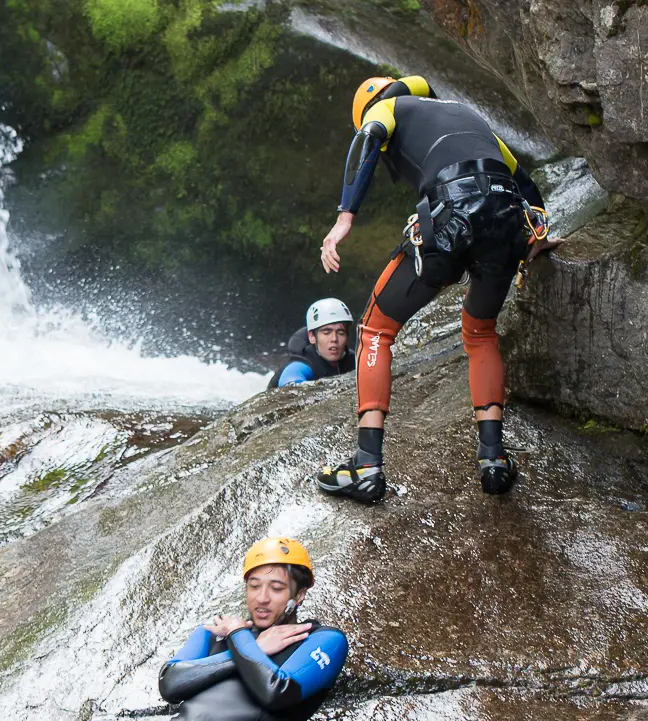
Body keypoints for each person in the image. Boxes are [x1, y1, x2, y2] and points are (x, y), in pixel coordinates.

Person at [316, 75, 562, 499]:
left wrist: (344, 218)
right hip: (506, 223)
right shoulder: (468, 114)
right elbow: (523, 183)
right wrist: (537, 234)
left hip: (453, 213)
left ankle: (367, 468)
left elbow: (368, 141)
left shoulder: (388, 109)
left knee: (376, 329)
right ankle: (494, 461)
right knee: (481, 331)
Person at [159, 537, 348, 721]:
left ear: (299, 595)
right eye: (254, 586)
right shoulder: (215, 632)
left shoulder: (324, 639)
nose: (262, 598)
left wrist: (241, 640)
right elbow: (170, 684)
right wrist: (249, 644)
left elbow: (277, 692)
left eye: (276, 588)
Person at [268, 298, 356, 389]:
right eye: (326, 332)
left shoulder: (354, 360)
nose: (334, 339)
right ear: (312, 337)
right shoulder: (302, 364)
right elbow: (290, 387)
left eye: (341, 333)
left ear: (347, 336)